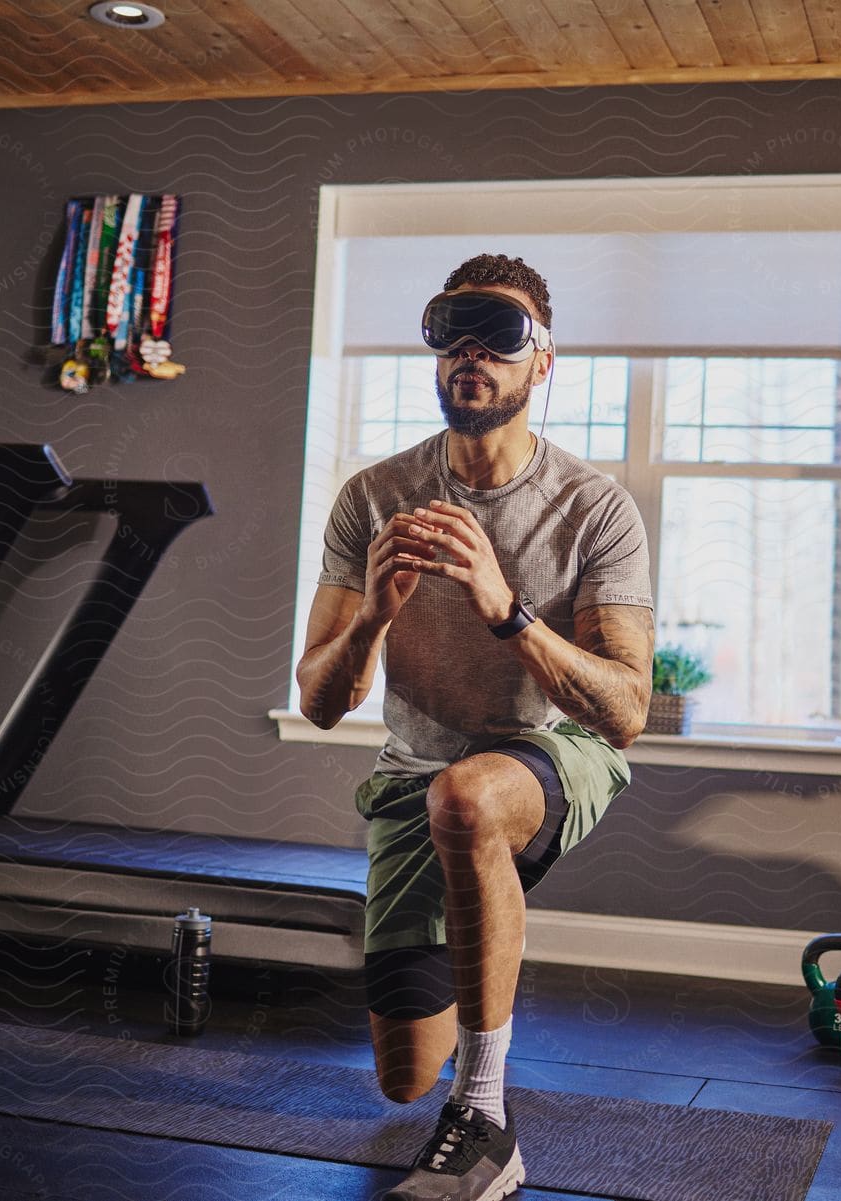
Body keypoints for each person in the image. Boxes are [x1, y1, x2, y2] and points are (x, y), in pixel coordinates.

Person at [295, 253, 655, 1201]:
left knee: (471, 798)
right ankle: (469, 940)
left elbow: (625, 712)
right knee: (402, 1074)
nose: (470, 353)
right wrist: (373, 613)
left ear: (542, 362)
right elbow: (321, 701)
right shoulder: (373, 498)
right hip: (415, 771)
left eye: (498, 334)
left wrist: (509, 611)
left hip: (555, 750)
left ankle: (488, 1120)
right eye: (451, 331)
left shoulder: (594, 508)